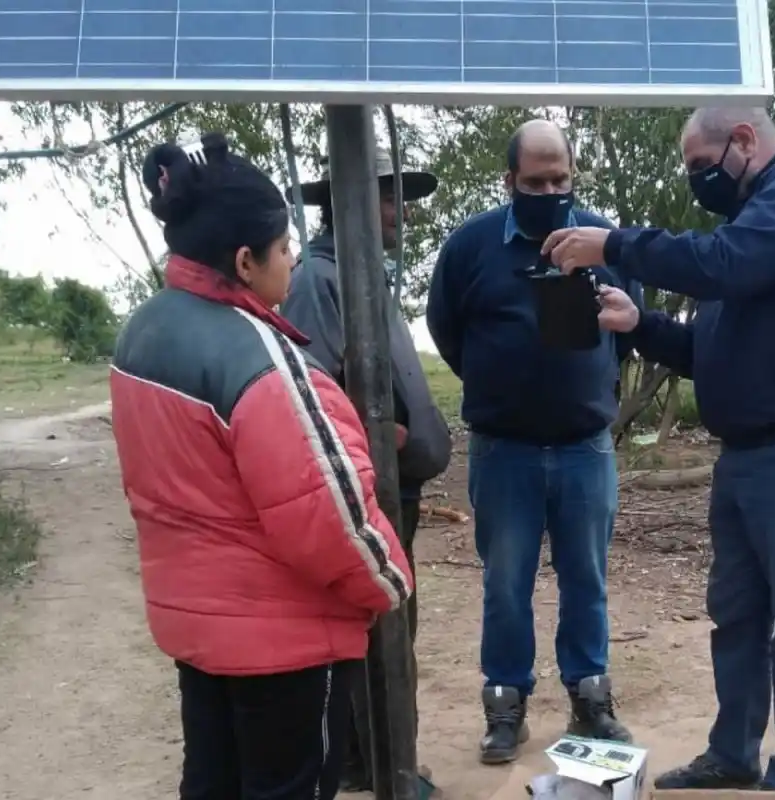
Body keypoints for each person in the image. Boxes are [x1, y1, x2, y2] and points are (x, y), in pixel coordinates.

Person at [542, 107, 775, 800]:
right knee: (738, 617)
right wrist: (642, 326)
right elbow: (710, 352)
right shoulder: (754, 225)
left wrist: (612, 243)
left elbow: (725, 263)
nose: (699, 181)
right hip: (749, 457)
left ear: (745, 141)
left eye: (702, 166)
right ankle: (733, 754)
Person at [109, 133, 413, 800]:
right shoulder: (262, 364)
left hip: (198, 627)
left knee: (213, 783)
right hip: (283, 643)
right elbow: (328, 518)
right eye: (282, 249)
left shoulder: (143, 332)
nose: (292, 259)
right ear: (246, 261)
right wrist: (391, 583)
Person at [426, 119, 637, 765]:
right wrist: (503, 387)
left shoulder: (604, 240)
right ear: (509, 180)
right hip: (504, 451)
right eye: (536, 180)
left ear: (573, 176)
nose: (550, 190)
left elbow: (628, 326)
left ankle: (589, 696)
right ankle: (505, 704)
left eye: (560, 179)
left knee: (586, 580)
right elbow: (447, 331)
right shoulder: (469, 247)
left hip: (584, 447)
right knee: (506, 584)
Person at [281, 148, 452, 792]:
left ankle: (375, 756)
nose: (401, 212)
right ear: (347, 203)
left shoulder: (360, 273)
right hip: (369, 490)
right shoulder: (318, 280)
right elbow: (316, 392)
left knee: (391, 624)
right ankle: (378, 764)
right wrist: (383, 433)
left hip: (394, 486)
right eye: (388, 197)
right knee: (376, 627)